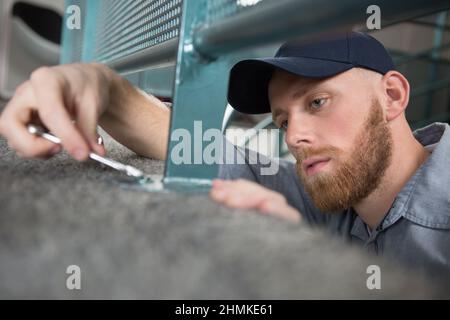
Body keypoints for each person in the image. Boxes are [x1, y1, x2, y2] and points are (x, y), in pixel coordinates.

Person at [0, 32, 448, 275]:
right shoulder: (331, 193)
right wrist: (103, 89)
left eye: (317, 102)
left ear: (391, 95)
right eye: (283, 121)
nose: (295, 137)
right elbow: (206, 152)